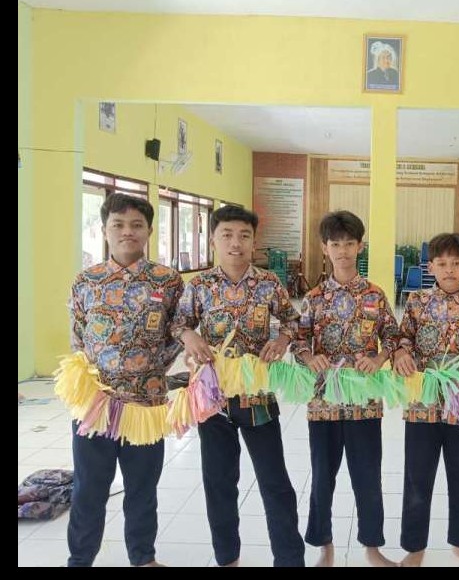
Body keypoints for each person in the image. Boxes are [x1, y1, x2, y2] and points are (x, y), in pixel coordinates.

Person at [172, 205, 305, 567]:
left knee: (275, 482)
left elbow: (293, 320)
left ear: (253, 241)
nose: (236, 243)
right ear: (213, 240)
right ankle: (227, 558)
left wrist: (282, 340)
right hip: (212, 399)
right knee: (219, 483)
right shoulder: (199, 285)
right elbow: (178, 323)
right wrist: (189, 337)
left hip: (257, 397)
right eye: (227, 235)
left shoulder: (268, 283)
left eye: (244, 236)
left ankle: (290, 560)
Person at [66, 193, 184, 567]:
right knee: (89, 488)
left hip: (146, 403)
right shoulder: (86, 280)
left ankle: (143, 557)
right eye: (118, 224)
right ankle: (80, 559)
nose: (127, 232)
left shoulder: (168, 281)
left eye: (136, 225)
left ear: (149, 231)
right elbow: (78, 336)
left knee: (142, 488)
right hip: (95, 404)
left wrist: (151, 371)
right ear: (104, 230)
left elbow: (178, 332)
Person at [291, 210, 400, 567]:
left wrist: (380, 358)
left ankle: (372, 547)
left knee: (367, 476)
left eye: (349, 244)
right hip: (323, 403)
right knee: (322, 478)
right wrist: (309, 358)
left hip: (364, 402)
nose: (343, 251)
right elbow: (298, 340)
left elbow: (394, 336)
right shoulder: (314, 297)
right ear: (325, 248)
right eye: (335, 244)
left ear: (360, 246)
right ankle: (324, 545)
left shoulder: (375, 295)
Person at [393, 232, 459, 567]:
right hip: (421, 405)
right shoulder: (416, 301)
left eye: (456, 263)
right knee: (417, 480)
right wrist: (401, 354)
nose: (449, 270)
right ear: (430, 267)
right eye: (442, 263)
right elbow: (403, 339)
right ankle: (414, 548)